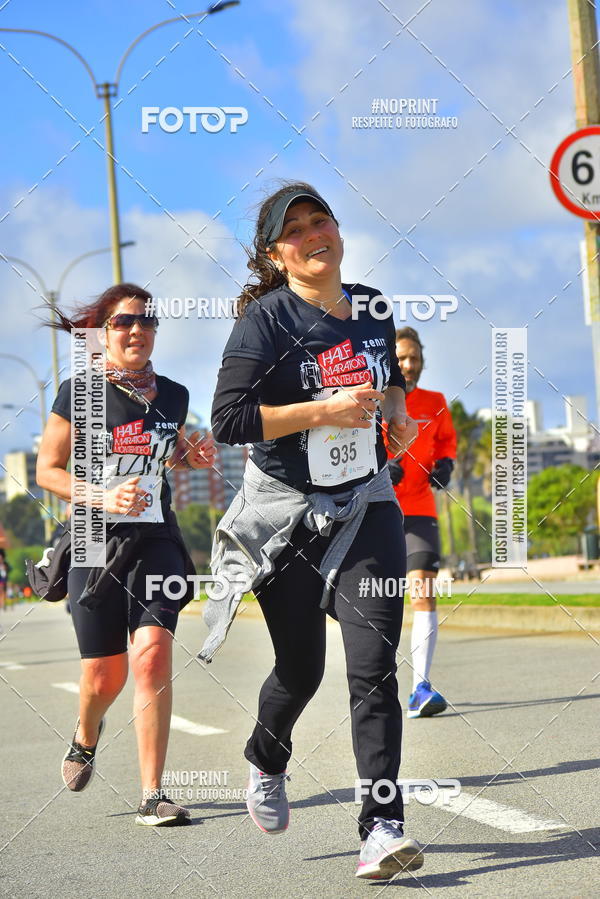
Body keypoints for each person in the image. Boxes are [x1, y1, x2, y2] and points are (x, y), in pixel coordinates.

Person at [210, 182, 424, 880]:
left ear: (336, 228)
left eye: (319, 219)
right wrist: (320, 412)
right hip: (287, 515)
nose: (312, 234)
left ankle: (382, 825)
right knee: (301, 668)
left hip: (366, 502)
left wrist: (397, 411)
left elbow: (388, 379)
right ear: (278, 253)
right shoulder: (265, 322)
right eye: (294, 230)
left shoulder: (371, 305)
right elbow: (229, 422)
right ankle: (267, 754)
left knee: (374, 668)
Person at [36, 283, 216, 826]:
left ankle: (152, 792)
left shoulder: (175, 395)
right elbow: (48, 470)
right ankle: (85, 735)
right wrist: (101, 495)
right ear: (103, 333)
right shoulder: (79, 391)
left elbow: (161, 452)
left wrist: (191, 457)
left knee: (153, 655)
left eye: (146, 321)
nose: (136, 330)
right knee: (102, 677)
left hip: (155, 537)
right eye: (122, 323)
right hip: (92, 536)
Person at [385, 327, 456, 718]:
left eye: (414, 358)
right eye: (401, 358)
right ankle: (378, 684)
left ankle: (420, 688)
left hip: (420, 508)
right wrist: (382, 467)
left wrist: (447, 462)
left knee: (423, 593)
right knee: (382, 600)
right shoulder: (373, 402)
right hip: (378, 510)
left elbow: (446, 440)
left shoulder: (436, 402)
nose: (409, 365)